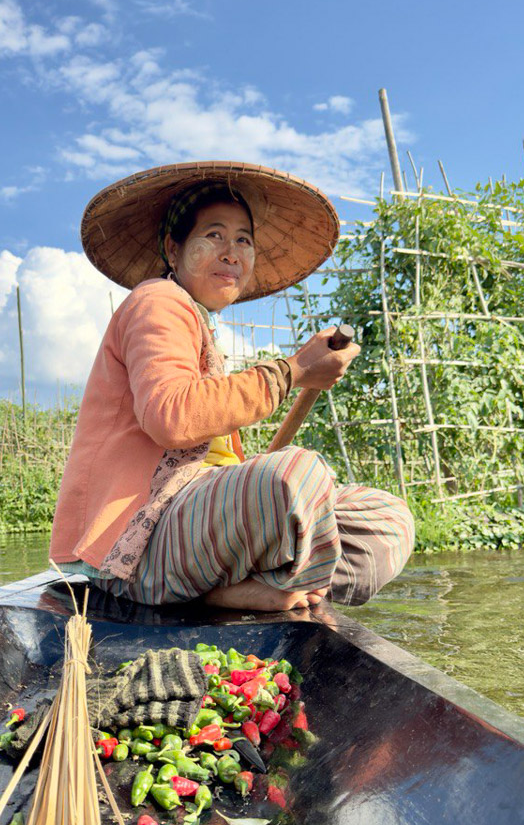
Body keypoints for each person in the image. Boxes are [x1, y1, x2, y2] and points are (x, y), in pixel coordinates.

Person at [50, 161, 414, 612]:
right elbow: (171, 417)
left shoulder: (202, 328)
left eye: (243, 239)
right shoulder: (158, 300)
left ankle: (258, 586)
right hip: (135, 543)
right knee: (298, 474)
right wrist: (292, 370)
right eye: (215, 235)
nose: (231, 251)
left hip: (195, 529)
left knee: (387, 519)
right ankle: (235, 589)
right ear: (173, 247)